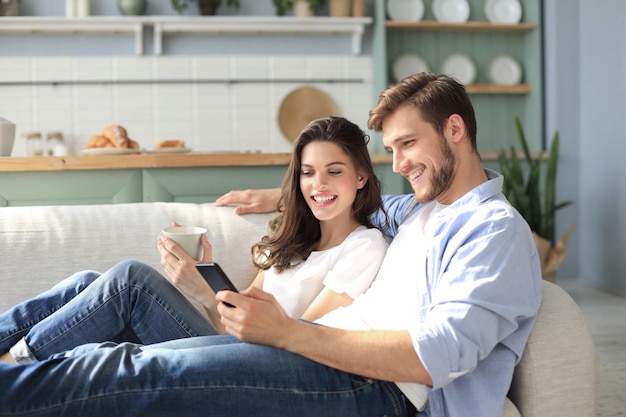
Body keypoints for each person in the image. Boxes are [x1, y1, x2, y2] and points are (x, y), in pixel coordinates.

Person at [0, 73, 542, 417]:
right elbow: (359, 201)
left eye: (408, 145)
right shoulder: (425, 208)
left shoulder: (493, 233)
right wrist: (283, 194)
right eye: (393, 149)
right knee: (121, 358)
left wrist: (289, 332)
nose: (398, 164)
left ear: (454, 130)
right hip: (317, 357)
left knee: (138, 373)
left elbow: (437, 355)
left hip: (375, 391)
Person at [0, 116, 389, 366]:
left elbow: (306, 340)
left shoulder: (364, 246)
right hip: (231, 349)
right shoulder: (293, 245)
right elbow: (230, 329)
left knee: (132, 283)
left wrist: (202, 291)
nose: (318, 185)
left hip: (263, 367)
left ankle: (12, 365)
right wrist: (203, 282)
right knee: (89, 284)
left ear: (360, 177)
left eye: (333, 172)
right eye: (307, 173)